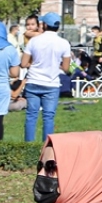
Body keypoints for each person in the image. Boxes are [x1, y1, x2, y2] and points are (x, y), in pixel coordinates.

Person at [23, 13, 73, 142]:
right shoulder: (64, 43)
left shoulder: (34, 41)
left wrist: (32, 63)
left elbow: (23, 63)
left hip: (33, 80)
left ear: (44, 25)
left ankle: (28, 146)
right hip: (51, 84)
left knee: (31, 116)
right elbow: (66, 68)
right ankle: (47, 148)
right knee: (48, 117)